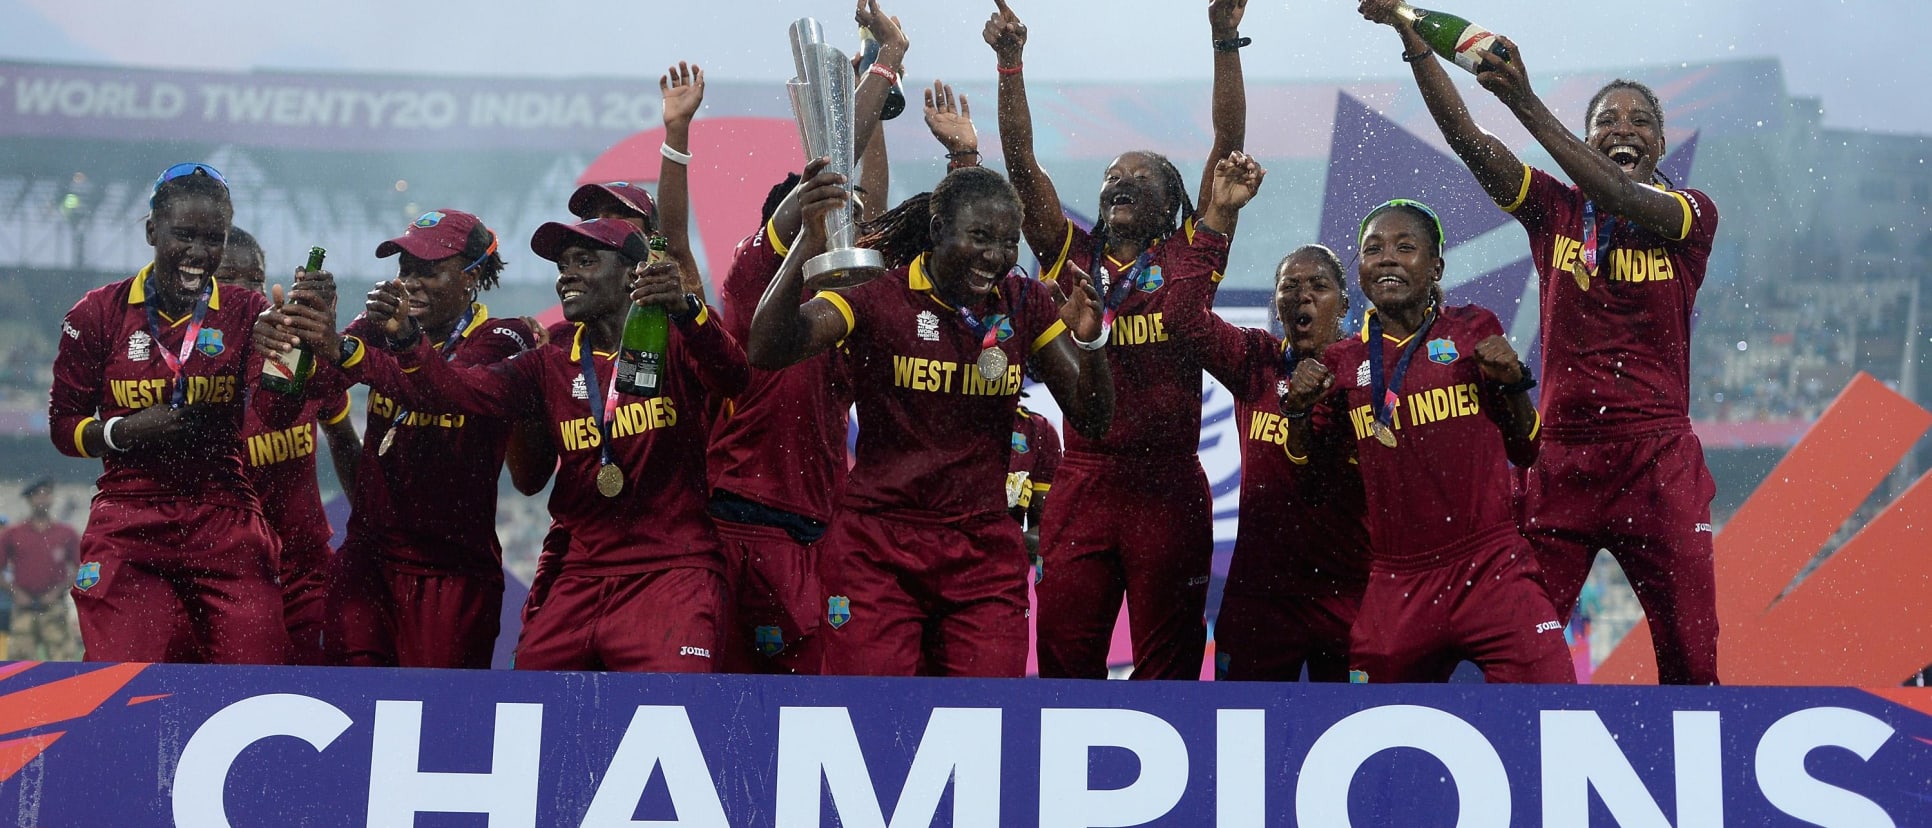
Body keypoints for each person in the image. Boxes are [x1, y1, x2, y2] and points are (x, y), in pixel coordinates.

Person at [1361, 0, 1721, 684]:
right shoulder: (1554, 213)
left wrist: (1525, 102)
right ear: (1584, 139)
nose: (1624, 129)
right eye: (1606, 121)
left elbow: (1615, 189)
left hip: (1658, 465)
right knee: (1518, 666)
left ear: (1662, 145)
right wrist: (1414, 41)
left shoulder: (1691, 214)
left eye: (1639, 120)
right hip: (1561, 464)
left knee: (1693, 664)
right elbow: (1471, 143)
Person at [267, 218, 747, 671]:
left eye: (584, 262)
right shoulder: (549, 360)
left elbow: (734, 375)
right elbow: (453, 390)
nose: (566, 277)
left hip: (668, 569)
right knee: (531, 709)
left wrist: (687, 307)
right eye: (563, 267)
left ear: (632, 276)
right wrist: (307, 342)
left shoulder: (668, 338)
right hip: (579, 575)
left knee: (671, 710)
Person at [747, 161, 1112, 678]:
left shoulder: (1024, 302)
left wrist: (1094, 342)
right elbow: (766, 347)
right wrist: (807, 241)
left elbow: (1092, 418)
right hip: (879, 549)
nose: (996, 257)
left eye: (1008, 243)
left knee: (985, 722)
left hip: (982, 552)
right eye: (980, 236)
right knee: (874, 720)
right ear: (939, 230)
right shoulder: (879, 298)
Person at [987, 0, 1257, 679]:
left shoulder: (1191, 253)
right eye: (1112, 176)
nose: (1120, 183)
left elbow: (1228, 152)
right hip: (1085, 481)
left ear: (1170, 205)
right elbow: (1022, 167)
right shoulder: (1069, 255)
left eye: (1139, 177)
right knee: (1065, 659)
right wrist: (1010, 65)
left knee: (1168, 671)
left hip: (1169, 486)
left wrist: (1224, 39)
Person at [1284, 200, 1572, 683]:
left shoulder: (1473, 329)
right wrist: (1295, 412)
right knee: (1371, 736)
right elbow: (1312, 486)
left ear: (1436, 266)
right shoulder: (1341, 362)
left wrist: (1512, 383)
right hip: (1397, 581)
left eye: (1405, 247)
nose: (1387, 258)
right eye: (1373, 249)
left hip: (1491, 566)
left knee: (1557, 709)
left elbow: (1526, 449)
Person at [701, 11, 909, 675]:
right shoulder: (752, 274)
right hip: (738, 521)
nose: (831, 221)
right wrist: (884, 64)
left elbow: (864, 205)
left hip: (819, 530)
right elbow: (827, 184)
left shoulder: (844, 303)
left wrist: (878, 94)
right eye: (811, 212)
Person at [48, 162, 292, 664]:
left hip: (222, 516)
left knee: (259, 682)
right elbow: (63, 426)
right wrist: (123, 431)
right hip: (128, 517)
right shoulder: (96, 313)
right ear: (151, 230)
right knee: (124, 687)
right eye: (184, 235)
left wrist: (288, 353)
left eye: (214, 239)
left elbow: (274, 413)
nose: (199, 255)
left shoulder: (248, 312)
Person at [313, 209, 533, 668]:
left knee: (435, 727)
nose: (410, 282)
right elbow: (306, 395)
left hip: (450, 574)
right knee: (348, 711)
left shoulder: (504, 339)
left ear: (472, 276)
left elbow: (445, 392)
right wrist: (301, 339)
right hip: (366, 563)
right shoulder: (378, 327)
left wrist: (366, 348)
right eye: (405, 269)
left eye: (429, 271)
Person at [1199, 246, 1370, 682]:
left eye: (1318, 286)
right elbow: (1185, 321)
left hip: (1349, 594)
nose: (1302, 296)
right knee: (1242, 736)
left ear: (1345, 303)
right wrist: (1221, 216)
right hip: (1261, 597)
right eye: (1289, 286)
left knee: (1357, 735)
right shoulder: (1256, 361)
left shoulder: (1368, 374)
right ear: (1275, 303)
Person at [214, 227, 361, 665]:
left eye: (254, 281)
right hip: (227, 574)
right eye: (228, 281)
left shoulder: (293, 357)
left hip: (305, 571)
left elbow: (343, 439)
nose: (245, 294)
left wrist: (373, 524)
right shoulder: (191, 375)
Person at [2, 479, 82, 661]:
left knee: (63, 661)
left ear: (52, 498)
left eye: (46, 494)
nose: (42, 499)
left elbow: (80, 568)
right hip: (23, 607)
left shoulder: (66, 533)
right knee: (19, 663)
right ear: (29, 499)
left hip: (54, 607)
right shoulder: (13, 534)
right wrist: (16, 592)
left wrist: (56, 592)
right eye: (37, 495)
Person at [1005, 394, 1061, 566]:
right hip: (937, 561)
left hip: (1002, 573)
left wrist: (1002, 542)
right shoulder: (933, 426)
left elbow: (1047, 529)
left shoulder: (1038, 432)